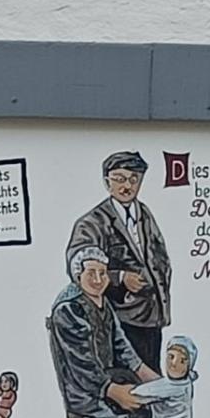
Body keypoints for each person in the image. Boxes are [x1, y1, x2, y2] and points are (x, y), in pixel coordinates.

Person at [50, 245, 159, 418]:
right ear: (78, 275)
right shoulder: (69, 308)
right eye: (92, 273)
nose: (99, 280)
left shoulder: (103, 304)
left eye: (102, 273)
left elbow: (121, 346)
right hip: (83, 389)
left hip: (107, 380)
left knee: (143, 406)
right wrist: (111, 390)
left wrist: (149, 377)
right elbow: (82, 363)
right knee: (116, 417)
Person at [66, 151, 172, 371]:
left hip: (152, 315)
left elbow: (160, 257)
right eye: (120, 179)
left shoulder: (144, 213)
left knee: (151, 376)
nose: (127, 186)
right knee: (125, 378)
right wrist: (120, 278)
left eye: (134, 179)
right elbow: (77, 269)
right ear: (107, 182)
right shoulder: (92, 223)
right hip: (118, 318)